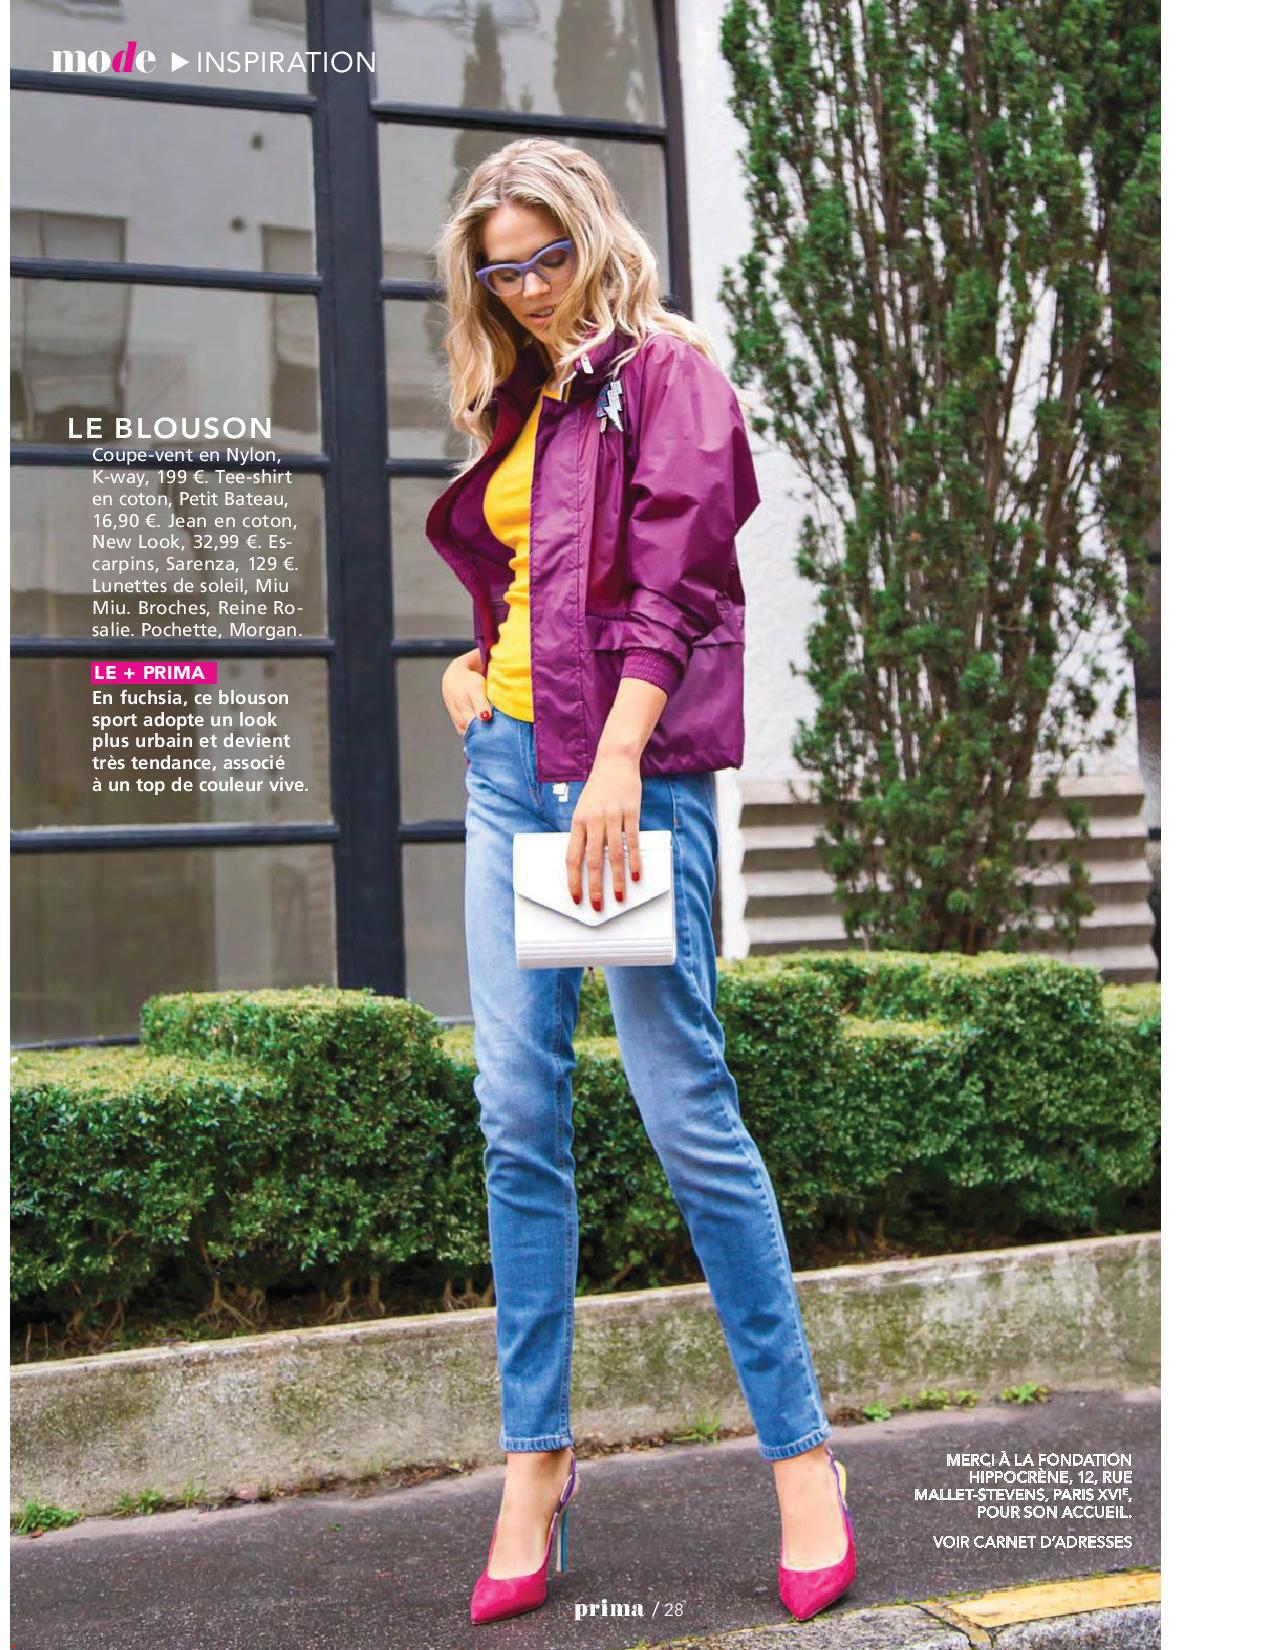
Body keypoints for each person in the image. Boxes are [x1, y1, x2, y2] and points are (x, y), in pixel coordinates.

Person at [425, 136, 856, 1628]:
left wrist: (614, 758)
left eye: (548, 257)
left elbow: (679, 585)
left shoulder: (669, 377)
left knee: (683, 1107)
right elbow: (530, 579)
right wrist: (470, 668)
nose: (531, 288)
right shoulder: (523, 392)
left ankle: (801, 1457)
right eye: (503, 272)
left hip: (626, 779)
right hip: (512, 773)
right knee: (517, 1110)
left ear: (595, 235)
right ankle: (536, 1459)